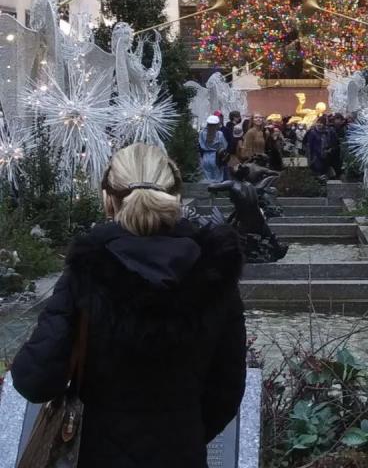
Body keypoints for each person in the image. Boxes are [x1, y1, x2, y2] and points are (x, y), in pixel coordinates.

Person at [11, 143, 246, 468]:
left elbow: (34, 380)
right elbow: (227, 390)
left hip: (96, 454)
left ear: (109, 198)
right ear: (175, 195)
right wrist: (180, 436)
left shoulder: (88, 271)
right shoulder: (214, 275)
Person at [208, 164, 288, 262]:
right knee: (266, 233)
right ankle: (276, 247)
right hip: (259, 221)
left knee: (228, 233)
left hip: (245, 223)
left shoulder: (232, 184)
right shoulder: (250, 186)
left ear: (234, 174)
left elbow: (211, 187)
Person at [306, 115, 338, 181]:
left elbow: (332, 143)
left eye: (321, 123)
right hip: (316, 156)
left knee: (325, 172)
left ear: (324, 124)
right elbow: (309, 146)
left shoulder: (327, 132)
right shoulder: (312, 132)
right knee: (318, 171)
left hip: (326, 155)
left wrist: (330, 149)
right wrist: (310, 157)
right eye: (318, 122)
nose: (319, 124)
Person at [199, 114, 228, 182]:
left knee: (207, 177)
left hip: (205, 157)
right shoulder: (219, 134)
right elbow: (224, 146)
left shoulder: (201, 133)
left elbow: (200, 145)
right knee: (217, 178)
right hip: (216, 157)